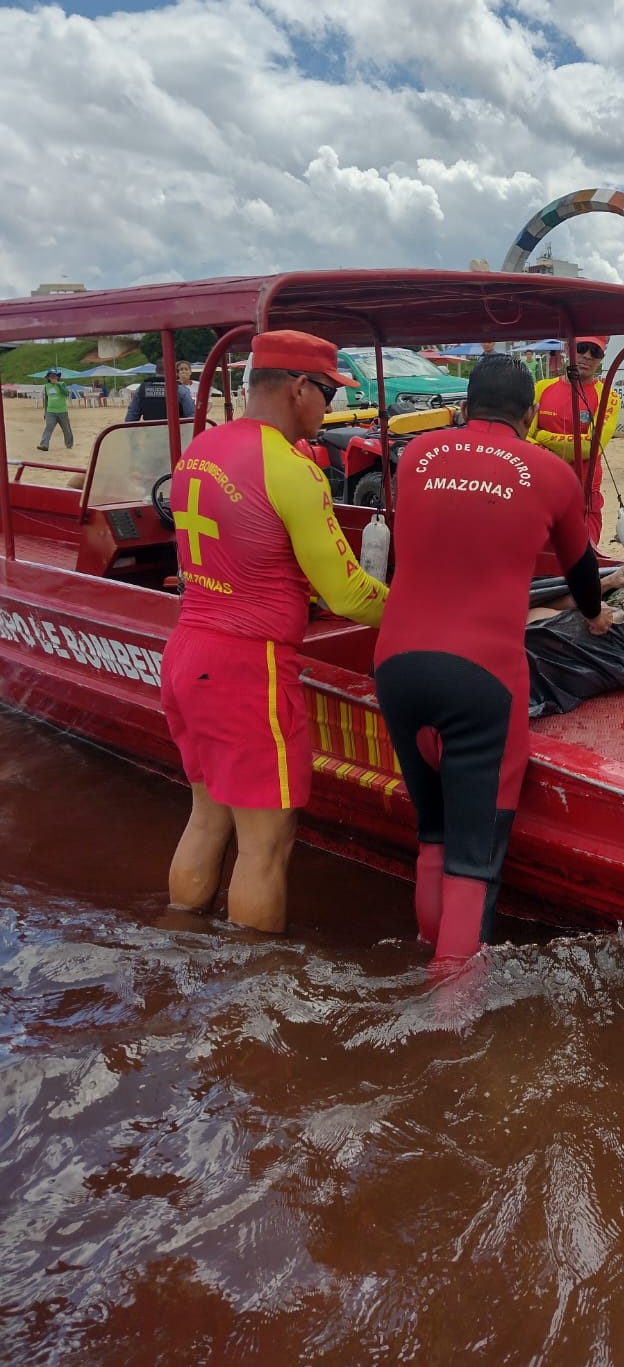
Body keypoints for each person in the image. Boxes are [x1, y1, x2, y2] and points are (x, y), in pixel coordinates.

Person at [374, 354, 615, 963]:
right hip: (482, 675)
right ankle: (454, 1028)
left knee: (432, 834)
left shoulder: (417, 455)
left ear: (464, 405)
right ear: (530, 415)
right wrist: (595, 614)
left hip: (397, 663)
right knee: (472, 863)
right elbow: (581, 569)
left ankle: (420, 956)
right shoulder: (551, 473)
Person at [161, 330, 388, 933]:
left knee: (207, 819)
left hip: (188, 651)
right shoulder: (292, 469)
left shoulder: (200, 450)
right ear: (297, 388)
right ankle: (253, 1003)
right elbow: (347, 593)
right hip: (247, 669)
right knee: (267, 843)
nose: (329, 408)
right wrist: (422, 611)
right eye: (327, 393)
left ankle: (179, 944)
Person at [527, 336, 621, 546]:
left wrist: (541, 436)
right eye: (581, 348)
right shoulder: (541, 388)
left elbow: (589, 447)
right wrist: (559, 447)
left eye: (595, 352)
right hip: (542, 491)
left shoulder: (608, 396)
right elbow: (523, 438)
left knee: (583, 559)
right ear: (568, 350)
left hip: (585, 495)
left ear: (601, 359)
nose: (587, 356)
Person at [126, 362, 195, 423]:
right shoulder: (181, 390)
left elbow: (130, 419)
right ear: (174, 371)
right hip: (176, 435)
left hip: (151, 435)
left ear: (156, 371)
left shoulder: (141, 390)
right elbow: (191, 417)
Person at [36, 369, 74, 451]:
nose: (53, 377)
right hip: (50, 412)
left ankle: (69, 445)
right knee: (48, 428)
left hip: (62, 411)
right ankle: (44, 445)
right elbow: (46, 400)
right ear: (48, 377)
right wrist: (45, 412)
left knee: (66, 429)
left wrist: (58, 385)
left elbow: (66, 393)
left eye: (54, 376)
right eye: (51, 376)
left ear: (57, 377)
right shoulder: (46, 386)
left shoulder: (62, 384)